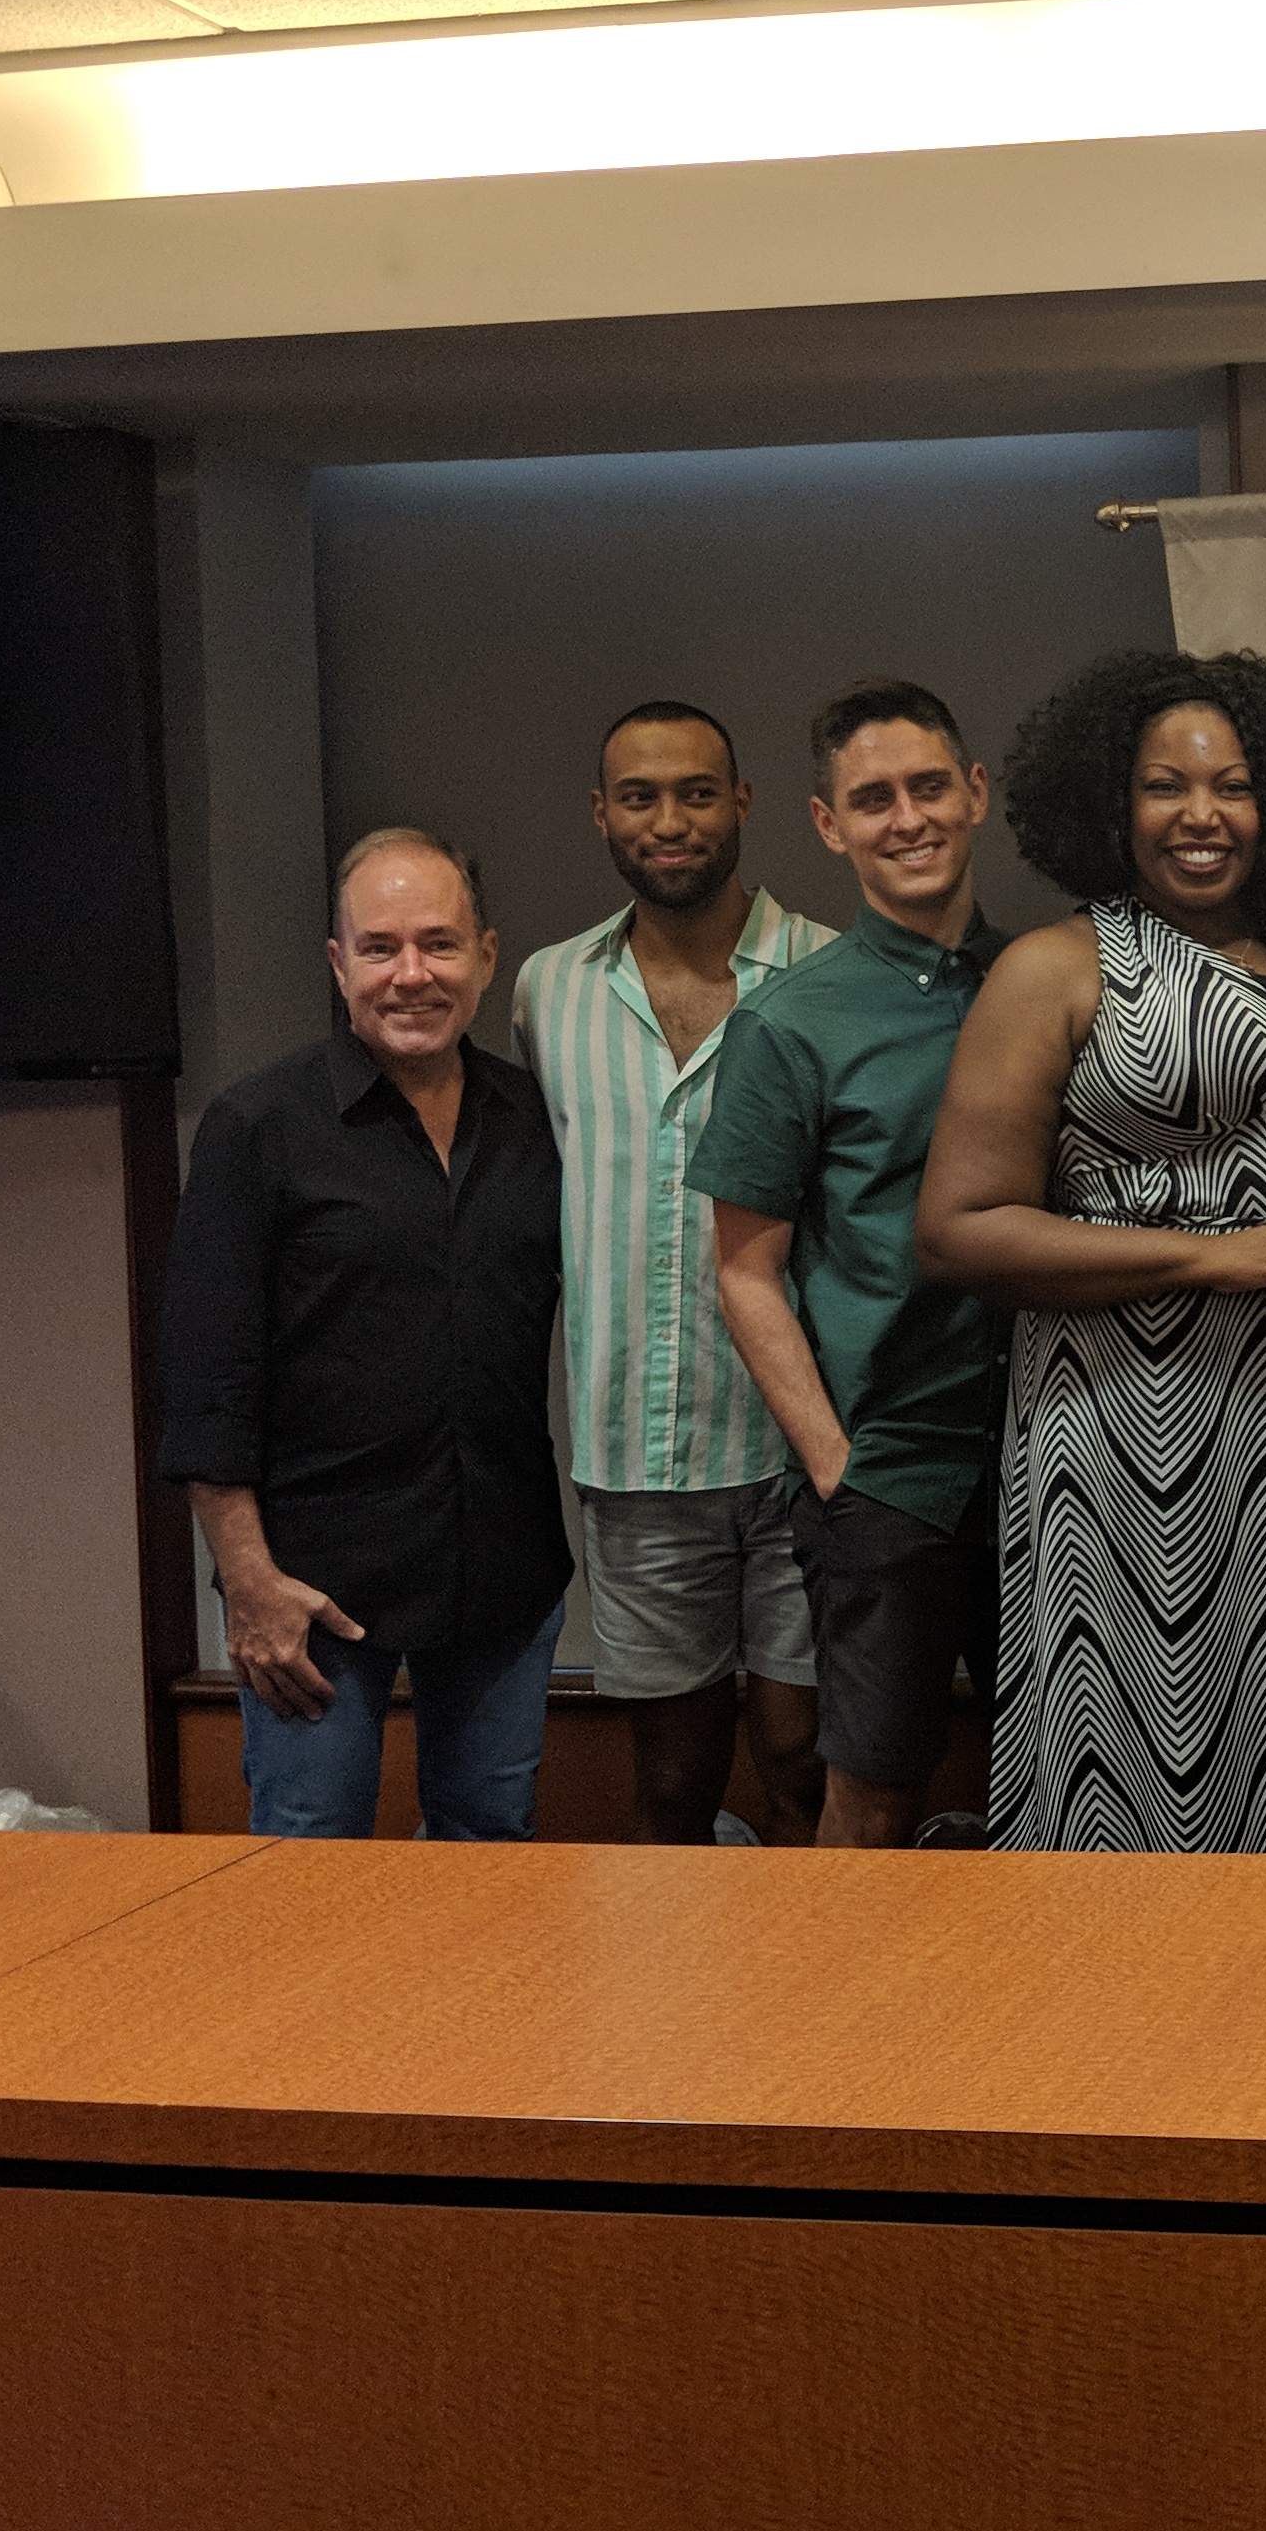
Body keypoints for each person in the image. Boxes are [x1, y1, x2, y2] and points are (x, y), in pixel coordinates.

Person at [915, 646, 1266, 1855]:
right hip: (1131, 1454)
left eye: (1235, 784)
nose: (1202, 814)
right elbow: (958, 1231)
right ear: (1113, 804)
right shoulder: (1058, 969)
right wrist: (1209, 1260)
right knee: (1145, 1773)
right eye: (1166, 785)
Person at [159, 827, 566, 1839]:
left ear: (486, 955)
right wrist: (247, 1583)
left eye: (439, 943)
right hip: (312, 1591)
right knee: (308, 1871)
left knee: (490, 1856)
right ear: (339, 964)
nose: (411, 974)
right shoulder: (257, 1127)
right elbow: (205, 1378)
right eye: (380, 948)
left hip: (501, 1568)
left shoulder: (533, 1118)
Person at [510, 700, 835, 1846]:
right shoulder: (546, 992)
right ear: (602, 814)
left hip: (803, 1450)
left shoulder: (826, 974)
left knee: (807, 1768)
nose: (670, 819)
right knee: (669, 1786)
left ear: (742, 804)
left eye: (698, 791)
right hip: (636, 1462)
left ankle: (826, 2006)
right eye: (640, 796)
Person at [693, 682, 1005, 1849]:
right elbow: (744, 1272)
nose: (906, 817)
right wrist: (837, 1465)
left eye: (929, 786)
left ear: (977, 795)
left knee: (1075, 1782)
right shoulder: (791, 1023)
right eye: (871, 800)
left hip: (1058, 1468)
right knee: (872, 1794)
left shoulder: (1051, 985)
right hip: (890, 1481)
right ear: (829, 826)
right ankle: (849, 2033)